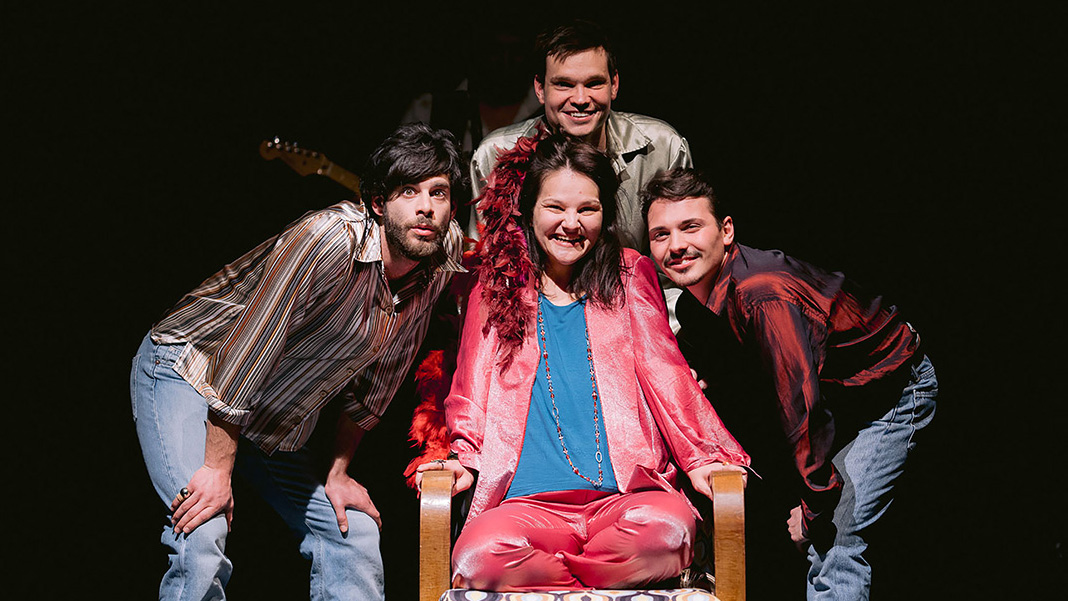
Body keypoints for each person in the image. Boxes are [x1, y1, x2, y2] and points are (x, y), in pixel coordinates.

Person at [130, 123, 467, 601]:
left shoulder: (440, 252)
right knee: (202, 527)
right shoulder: (327, 238)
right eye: (408, 191)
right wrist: (217, 469)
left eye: (439, 192)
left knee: (354, 534)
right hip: (191, 369)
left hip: (268, 405)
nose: (427, 207)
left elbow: (383, 375)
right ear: (378, 203)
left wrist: (338, 470)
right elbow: (250, 347)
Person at [416, 134, 748, 592]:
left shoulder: (629, 273)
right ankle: (593, 587)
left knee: (667, 533)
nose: (571, 224)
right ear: (529, 211)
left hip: (624, 499)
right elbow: (470, 390)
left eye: (587, 209)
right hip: (524, 506)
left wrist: (703, 455)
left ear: (605, 215)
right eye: (555, 207)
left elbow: (666, 371)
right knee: (479, 556)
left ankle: (562, 585)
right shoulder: (495, 286)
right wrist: (463, 460)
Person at [643, 167, 938, 600]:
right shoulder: (694, 307)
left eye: (691, 227)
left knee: (835, 540)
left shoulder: (763, 295)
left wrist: (815, 509)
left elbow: (803, 413)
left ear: (726, 231)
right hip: (836, 400)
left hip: (891, 394)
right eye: (661, 234)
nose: (676, 246)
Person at [468, 19, 692, 255]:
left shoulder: (661, 148)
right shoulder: (496, 155)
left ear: (614, 84)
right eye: (564, 84)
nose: (581, 99)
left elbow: (681, 256)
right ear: (540, 89)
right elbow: (482, 261)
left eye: (594, 84)